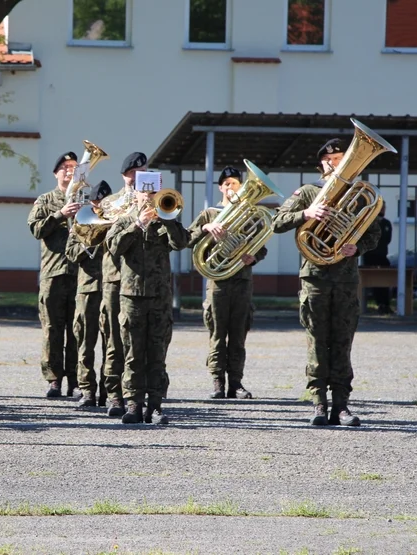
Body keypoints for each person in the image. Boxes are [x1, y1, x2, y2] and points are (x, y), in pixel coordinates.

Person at [271, 138, 381, 427]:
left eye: (340, 159)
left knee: (343, 343)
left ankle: (342, 406)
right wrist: (306, 213)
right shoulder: (308, 192)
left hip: (345, 279)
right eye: (329, 159)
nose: (334, 163)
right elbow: (277, 221)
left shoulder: (358, 195)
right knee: (317, 343)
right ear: (321, 163)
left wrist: (357, 246)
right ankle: (319, 404)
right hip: (315, 279)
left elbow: (373, 235)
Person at [105, 168, 189, 425]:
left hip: (160, 297)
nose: (149, 197)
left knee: (157, 353)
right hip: (131, 297)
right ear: (136, 194)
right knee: (132, 353)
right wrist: (137, 224)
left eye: (153, 192)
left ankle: (155, 405)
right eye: (145, 192)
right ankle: (133, 404)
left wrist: (168, 219)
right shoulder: (123, 219)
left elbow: (181, 243)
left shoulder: (167, 218)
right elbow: (114, 247)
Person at [187, 166, 266, 399]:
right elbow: (187, 238)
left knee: (239, 335)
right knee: (217, 333)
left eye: (236, 184)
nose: (232, 188)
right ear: (221, 187)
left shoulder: (249, 214)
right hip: (218, 282)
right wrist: (205, 228)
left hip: (242, 280)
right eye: (228, 184)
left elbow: (261, 247)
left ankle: (236, 383)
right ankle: (217, 381)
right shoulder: (209, 213)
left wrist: (254, 256)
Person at [27, 151, 80, 398]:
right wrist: (60, 215)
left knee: (78, 329)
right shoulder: (45, 199)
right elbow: (36, 229)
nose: (69, 172)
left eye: (74, 168)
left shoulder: (85, 200)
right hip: (54, 272)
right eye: (65, 168)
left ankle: (76, 380)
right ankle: (54, 379)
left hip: (79, 273)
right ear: (55, 173)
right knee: (52, 328)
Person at [100, 152, 147, 417]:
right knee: (114, 339)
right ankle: (114, 396)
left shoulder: (153, 200)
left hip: (142, 279)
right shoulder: (110, 202)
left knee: (140, 340)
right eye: (135, 172)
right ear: (126, 175)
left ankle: (139, 396)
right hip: (115, 277)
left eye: (145, 171)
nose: (140, 176)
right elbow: (108, 239)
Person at [65, 180, 112, 408]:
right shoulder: (80, 223)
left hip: (111, 288)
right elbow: (71, 253)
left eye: (104, 201)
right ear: (91, 203)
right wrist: (89, 241)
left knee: (111, 343)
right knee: (85, 342)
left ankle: (108, 391)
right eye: (96, 201)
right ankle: (87, 390)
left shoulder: (117, 222)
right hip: (87, 289)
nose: (99, 205)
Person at [362, 201, 393, 314]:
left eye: (384, 207)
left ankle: (386, 304)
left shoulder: (387, 223)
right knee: (373, 281)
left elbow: (387, 240)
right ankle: (379, 303)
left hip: (382, 256)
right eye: (381, 207)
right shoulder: (368, 223)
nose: (383, 210)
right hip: (370, 256)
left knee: (385, 280)